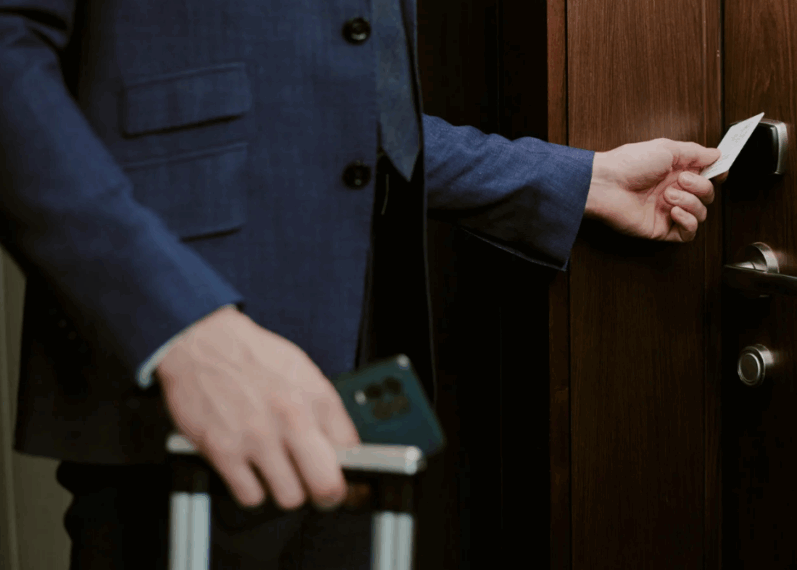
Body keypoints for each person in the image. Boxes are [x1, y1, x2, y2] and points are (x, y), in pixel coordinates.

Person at [0, 0, 722, 568]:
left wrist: (577, 180)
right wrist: (182, 329)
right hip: (187, 402)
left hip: (352, 405)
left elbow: (343, 121)